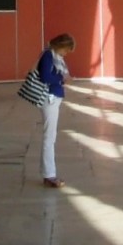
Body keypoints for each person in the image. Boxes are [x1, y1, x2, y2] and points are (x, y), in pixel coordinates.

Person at [37, 33, 75, 189]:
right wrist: (61, 79)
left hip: (54, 96)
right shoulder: (48, 55)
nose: (66, 54)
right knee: (49, 137)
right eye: (66, 50)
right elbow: (45, 76)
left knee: (50, 136)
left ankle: (47, 172)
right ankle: (49, 175)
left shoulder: (54, 56)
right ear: (60, 46)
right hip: (49, 97)